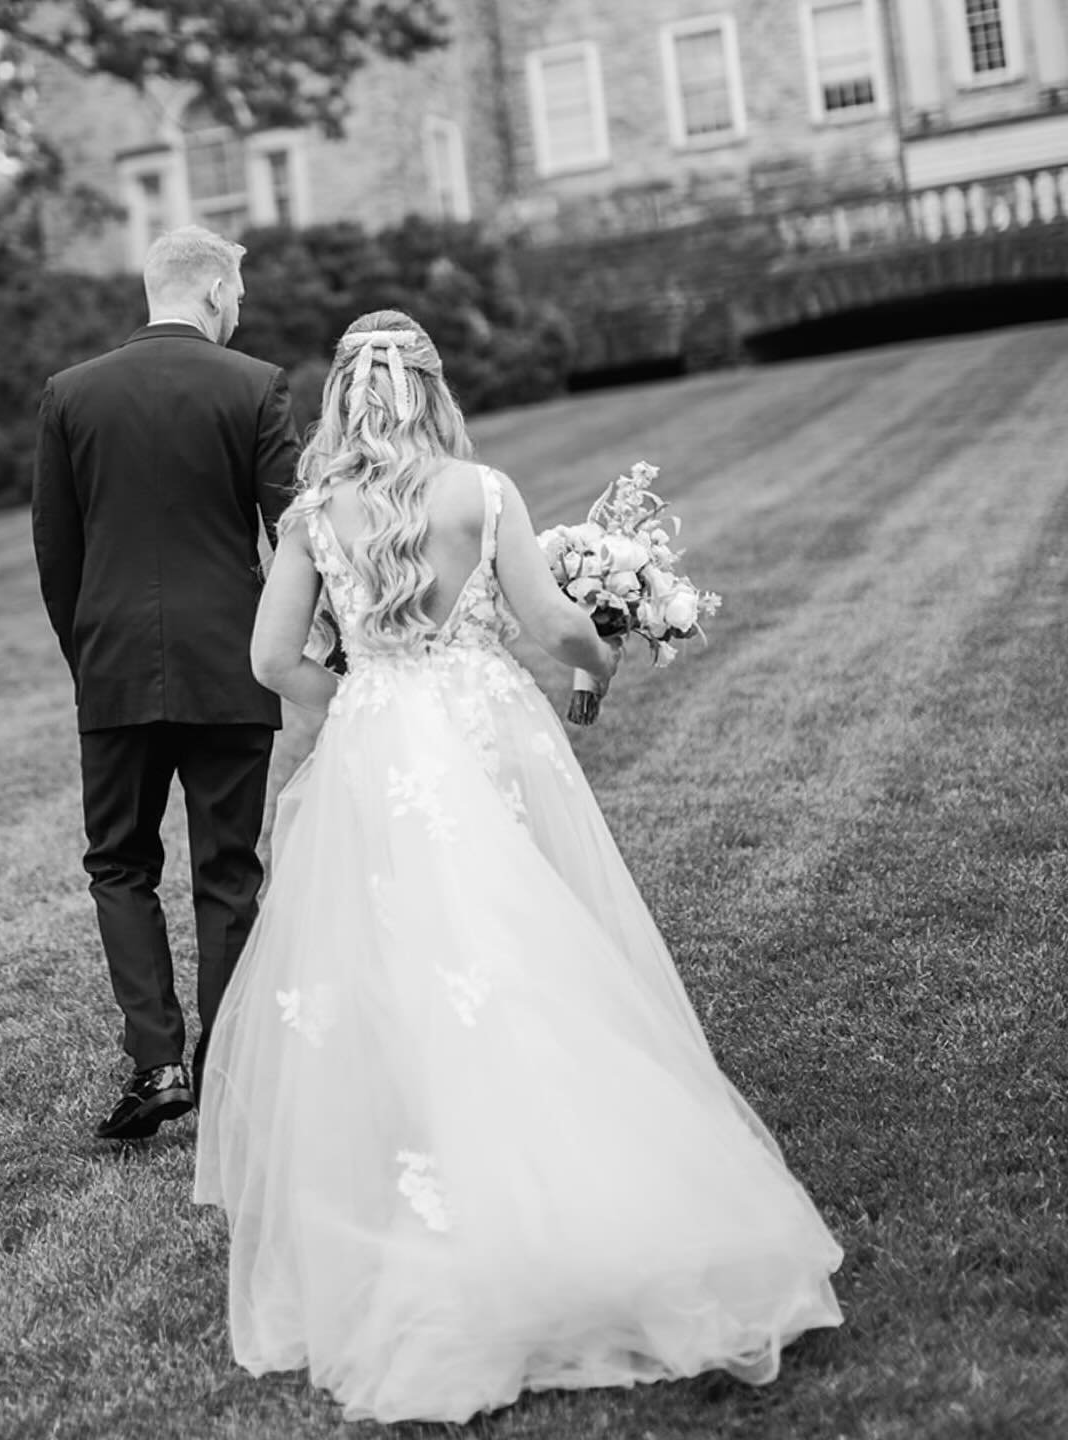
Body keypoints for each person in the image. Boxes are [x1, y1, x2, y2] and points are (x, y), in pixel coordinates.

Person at [193, 310, 843, 1424]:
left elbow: (267, 659)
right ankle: (567, 1183)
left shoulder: (311, 515)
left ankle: (431, 1177)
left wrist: (350, 697)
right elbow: (554, 625)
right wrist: (596, 673)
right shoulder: (481, 492)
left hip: (378, 745)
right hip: (485, 729)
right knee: (520, 935)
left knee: (401, 959)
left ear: (345, 396)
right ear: (431, 390)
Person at [32, 226, 300, 1142]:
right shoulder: (255, 385)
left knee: (119, 864)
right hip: (229, 664)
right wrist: (299, 645)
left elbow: (56, 557)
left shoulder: (70, 395)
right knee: (228, 871)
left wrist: (91, 657)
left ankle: (157, 1065)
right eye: (240, 299)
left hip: (111, 668)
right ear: (218, 293)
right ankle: (224, 1073)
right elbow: (295, 536)